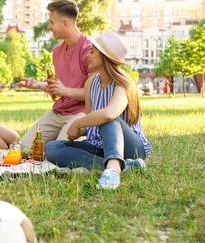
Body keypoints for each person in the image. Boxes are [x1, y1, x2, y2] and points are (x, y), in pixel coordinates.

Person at [44, 30, 152, 190]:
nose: (88, 55)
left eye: (92, 52)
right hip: (100, 146)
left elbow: (109, 114)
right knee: (52, 148)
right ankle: (122, 166)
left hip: (131, 148)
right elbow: (92, 125)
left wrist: (77, 123)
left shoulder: (123, 84)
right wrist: (80, 132)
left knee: (107, 117)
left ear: (105, 57)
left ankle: (114, 169)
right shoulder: (90, 84)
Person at [16, 0, 95, 150]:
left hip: (82, 113)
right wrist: (39, 85)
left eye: (52, 22)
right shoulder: (57, 51)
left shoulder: (90, 49)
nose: (49, 27)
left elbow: (95, 92)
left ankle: (86, 141)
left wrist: (65, 91)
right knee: (26, 148)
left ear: (65, 23)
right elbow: (61, 86)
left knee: (58, 150)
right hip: (59, 111)